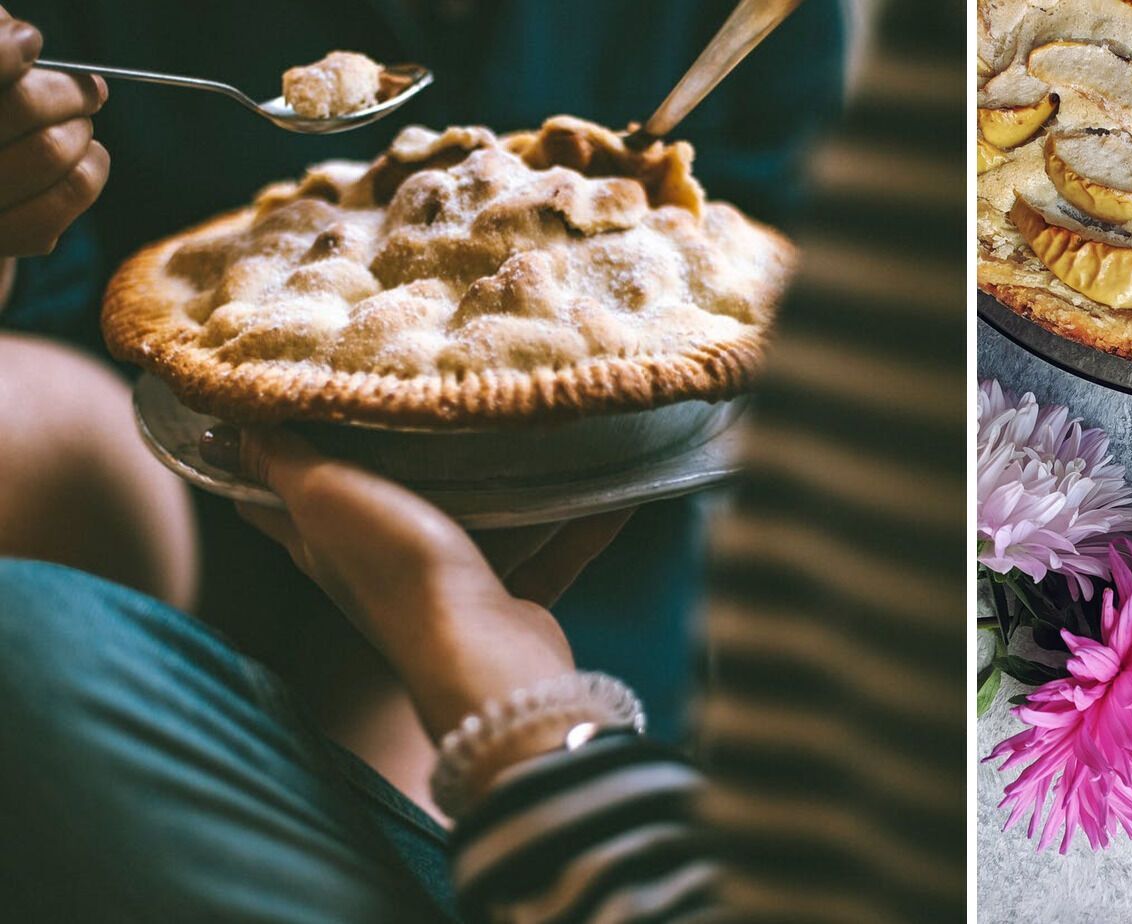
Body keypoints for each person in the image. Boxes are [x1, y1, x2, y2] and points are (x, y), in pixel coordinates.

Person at [0, 0, 964, 919]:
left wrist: (516, 709)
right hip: (191, 564)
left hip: (570, 595)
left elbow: (788, 311)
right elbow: (53, 330)